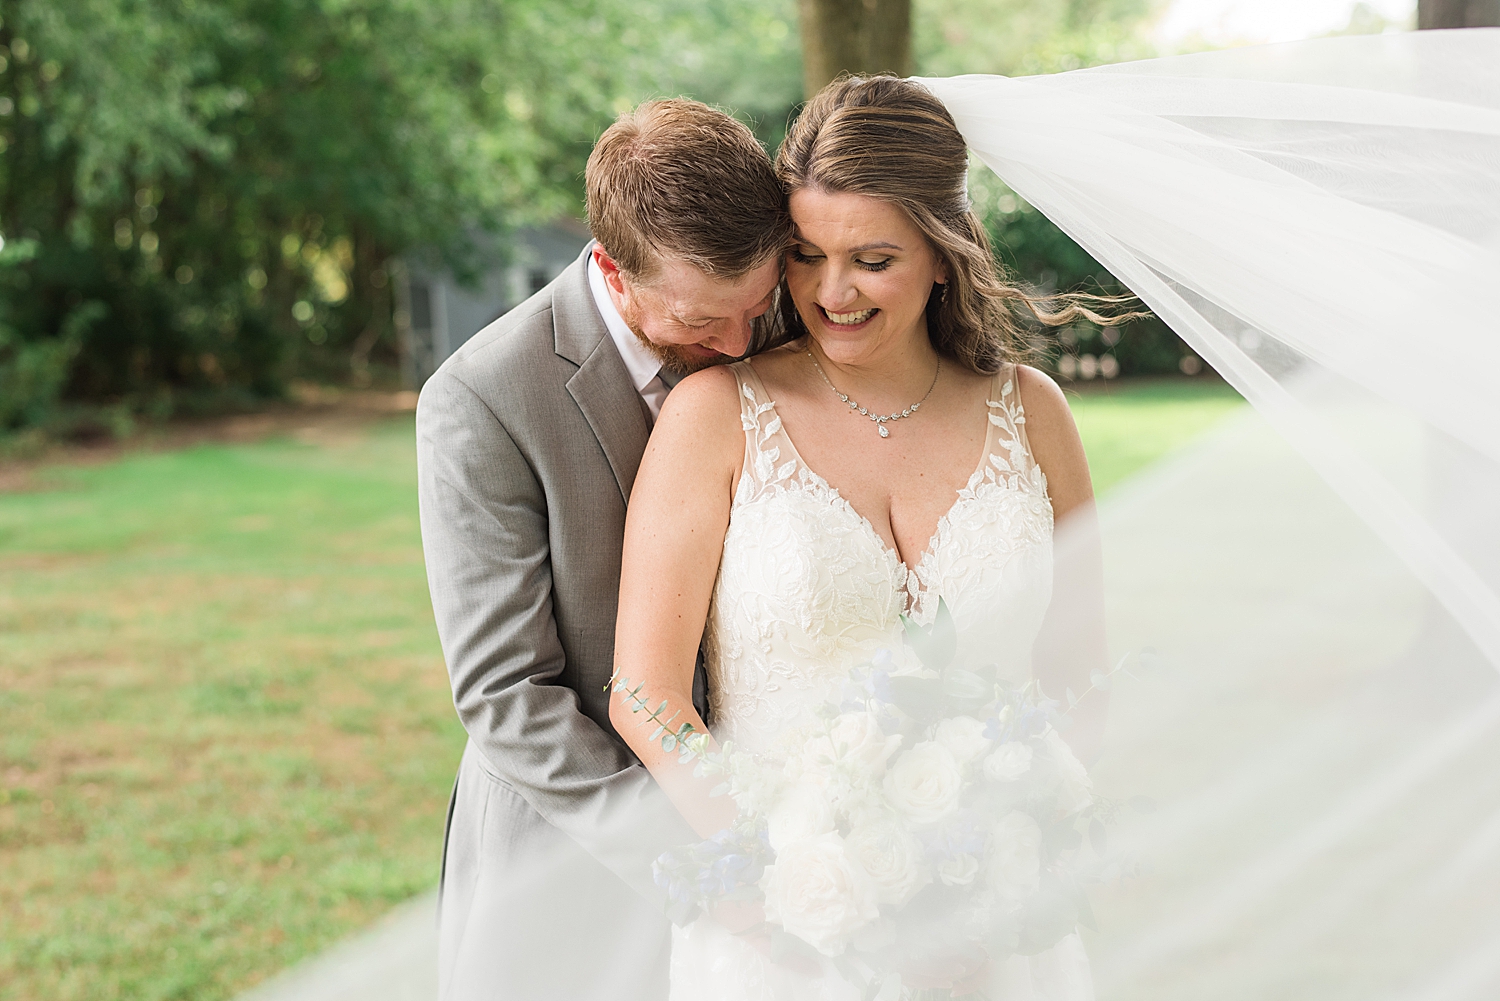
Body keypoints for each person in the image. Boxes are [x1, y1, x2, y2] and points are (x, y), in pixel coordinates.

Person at [611, 75, 1119, 999]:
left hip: (998, 932)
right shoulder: (716, 413)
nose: (830, 291)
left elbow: (1079, 673)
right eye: (804, 255)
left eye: (872, 258)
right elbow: (645, 698)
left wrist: (1020, 851)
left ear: (942, 252)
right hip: (781, 936)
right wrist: (771, 879)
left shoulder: (1033, 414)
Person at [415, 98, 791, 1001]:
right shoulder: (482, 400)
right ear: (616, 273)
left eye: (758, 305)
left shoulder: (778, 332)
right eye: (704, 321)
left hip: (791, 843)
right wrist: (699, 862)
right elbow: (508, 697)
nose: (740, 346)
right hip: (569, 871)